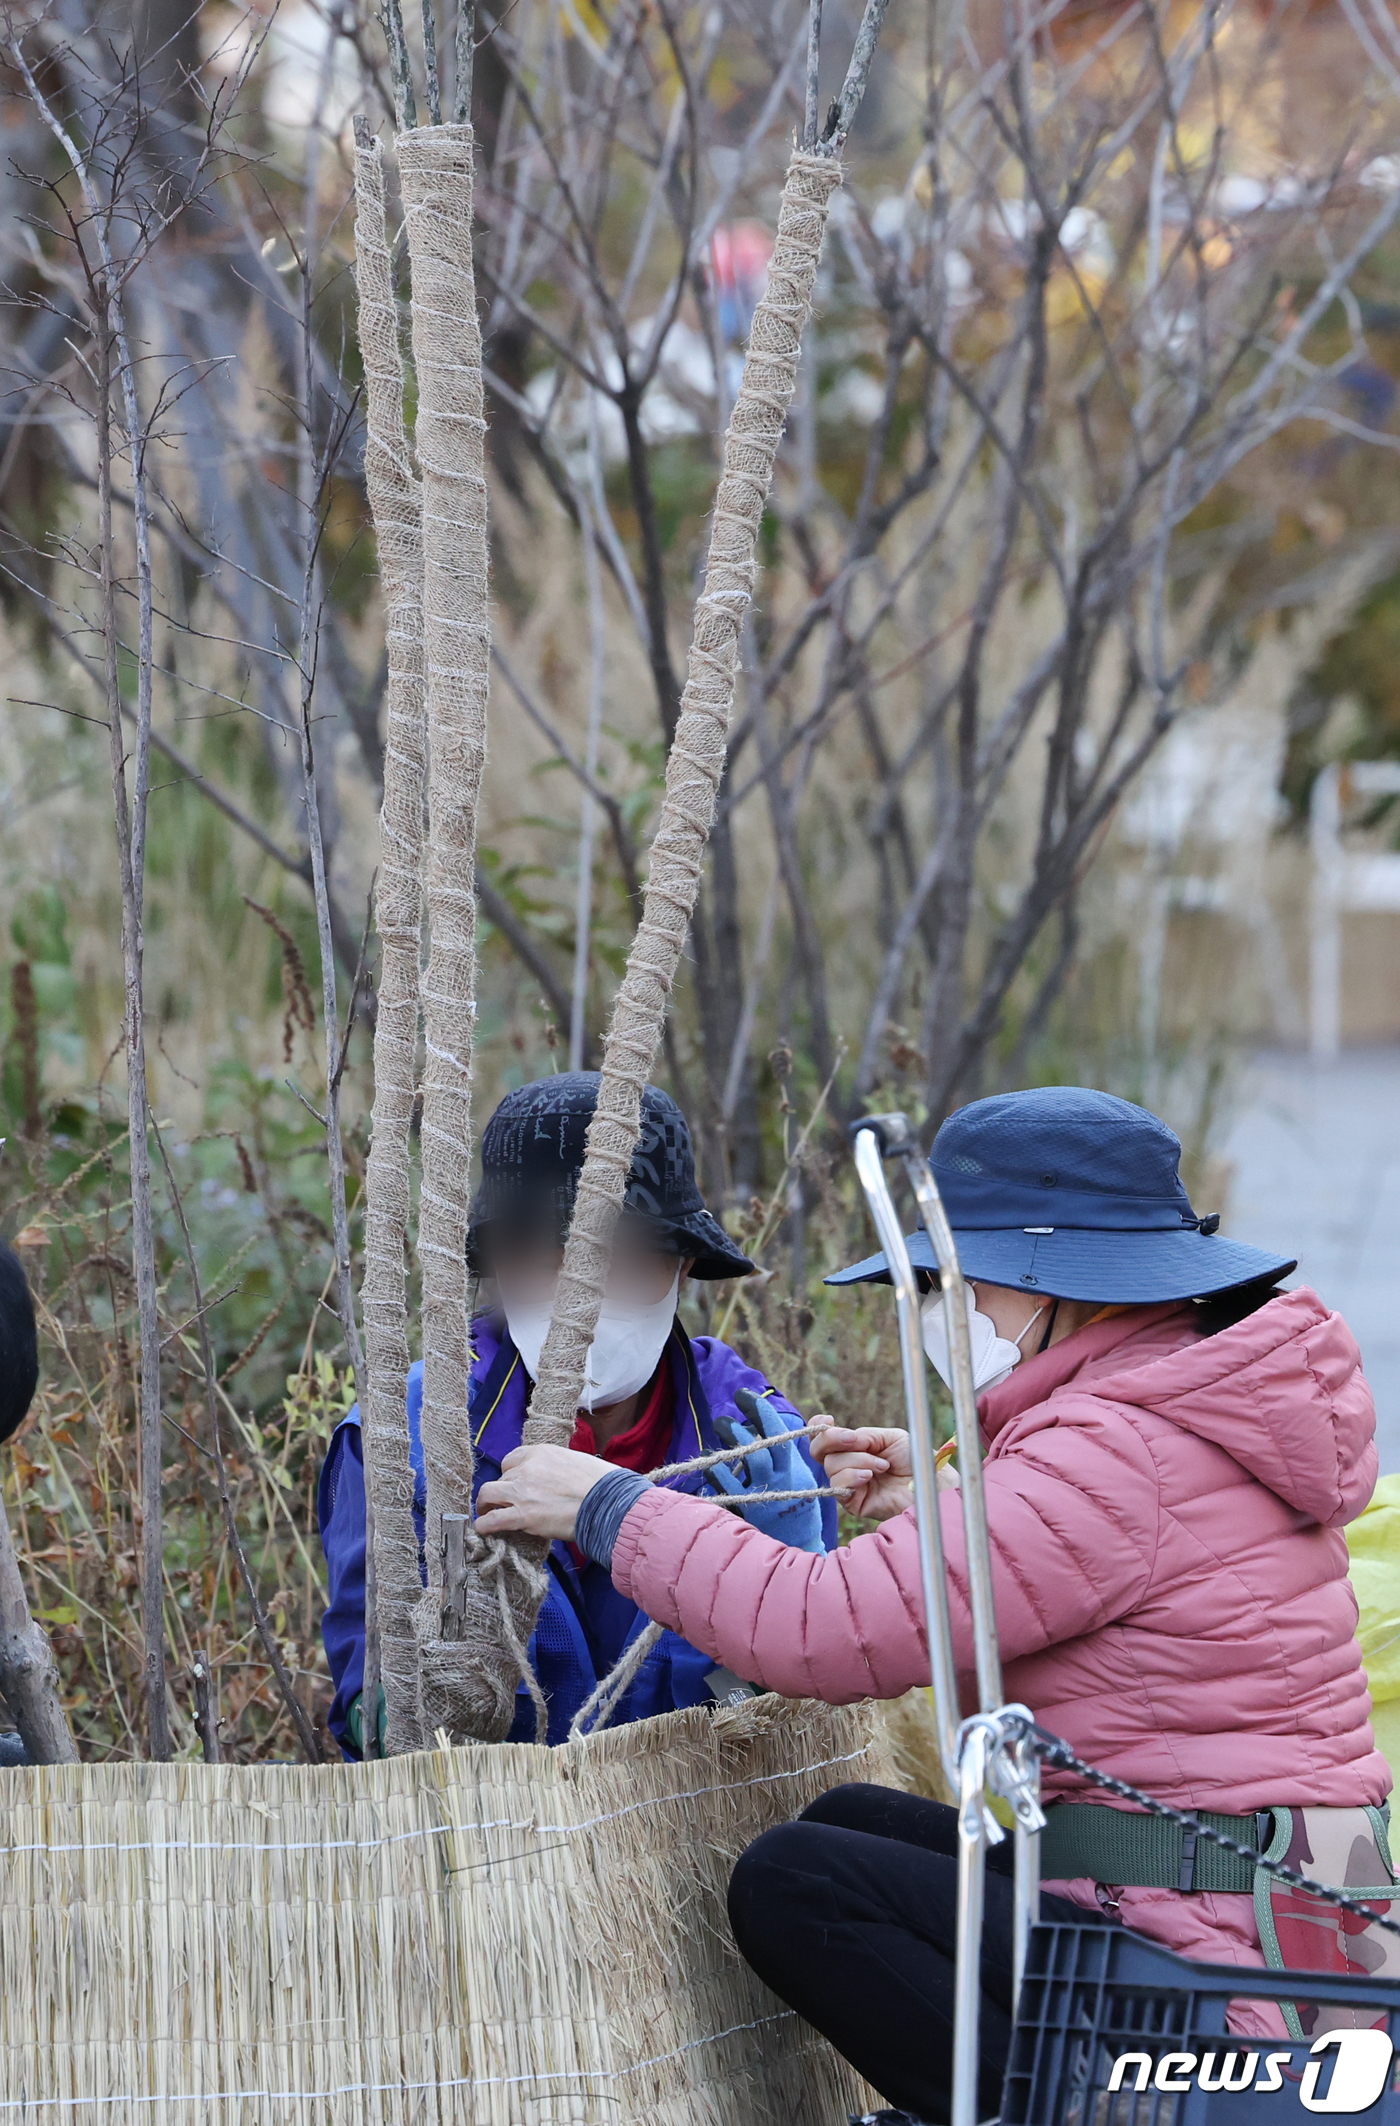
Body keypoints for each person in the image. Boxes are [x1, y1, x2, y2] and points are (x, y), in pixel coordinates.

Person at [475, 1085, 1396, 2125]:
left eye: (945, 1281)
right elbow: (1109, 1564)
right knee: (851, 1819)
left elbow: (816, 1628)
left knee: (799, 1880)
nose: (930, 1308)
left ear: (1046, 1277)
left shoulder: (1107, 1450)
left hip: (1226, 1988)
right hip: (1281, 1928)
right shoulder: (1176, 1403)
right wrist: (952, 1496)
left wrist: (606, 1506)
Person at [318, 1072, 833, 1755]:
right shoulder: (412, 1438)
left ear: (682, 1265)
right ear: (497, 1267)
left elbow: (782, 1718)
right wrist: (428, 1685)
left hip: (696, 1817)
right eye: (541, 1256)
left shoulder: (754, 1445)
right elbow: (370, 1708)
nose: (577, 1295)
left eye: (617, 1257)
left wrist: (787, 1609)